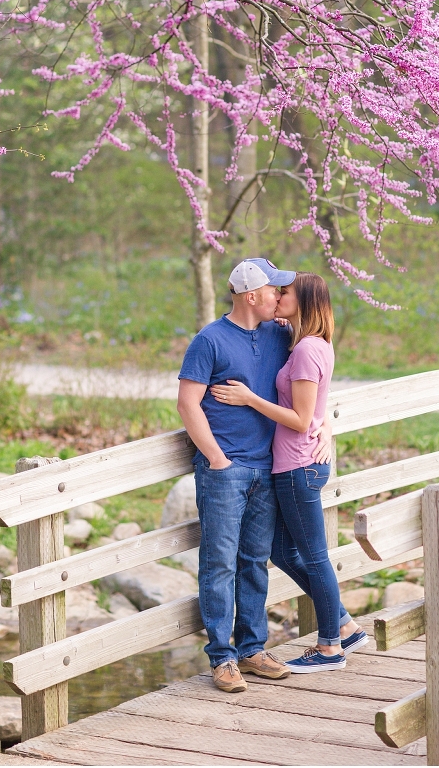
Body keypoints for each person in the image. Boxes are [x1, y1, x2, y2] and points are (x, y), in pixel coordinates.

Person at [177, 258, 330, 694]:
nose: (279, 297)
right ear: (251, 296)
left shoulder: (281, 335)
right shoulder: (209, 341)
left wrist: (327, 429)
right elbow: (188, 405)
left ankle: (252, 648)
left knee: (253, 562)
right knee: (220, 562)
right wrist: (218, 459)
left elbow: (314, 388)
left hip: (268, 468)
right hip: (225, 471)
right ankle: (222, 657)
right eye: (273, 291)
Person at [211, 271, 368, 673]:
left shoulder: (304, 351)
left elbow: (301, 419)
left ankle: (330, 647)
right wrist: (326, 425)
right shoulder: (308, 341)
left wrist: (248, 399)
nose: (279, 297)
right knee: (281, 550)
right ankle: (345, 625)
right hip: (298, 464)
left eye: (286, 294)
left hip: (298, 466)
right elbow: (316, 411)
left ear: (305, 302)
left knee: (314, 556)